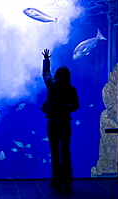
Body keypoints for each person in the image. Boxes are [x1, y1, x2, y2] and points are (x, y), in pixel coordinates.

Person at [41, 48, 80, 191]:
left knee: (55, 151)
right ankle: (67, 181)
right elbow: (76, 105)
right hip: (65, 123)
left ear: (57, 74)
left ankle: (56, 180)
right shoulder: (71, 89)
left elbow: (45, 74)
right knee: (65, 150)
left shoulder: (51, 84)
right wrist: (65, 111)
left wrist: (46, 59)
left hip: (52, 122)